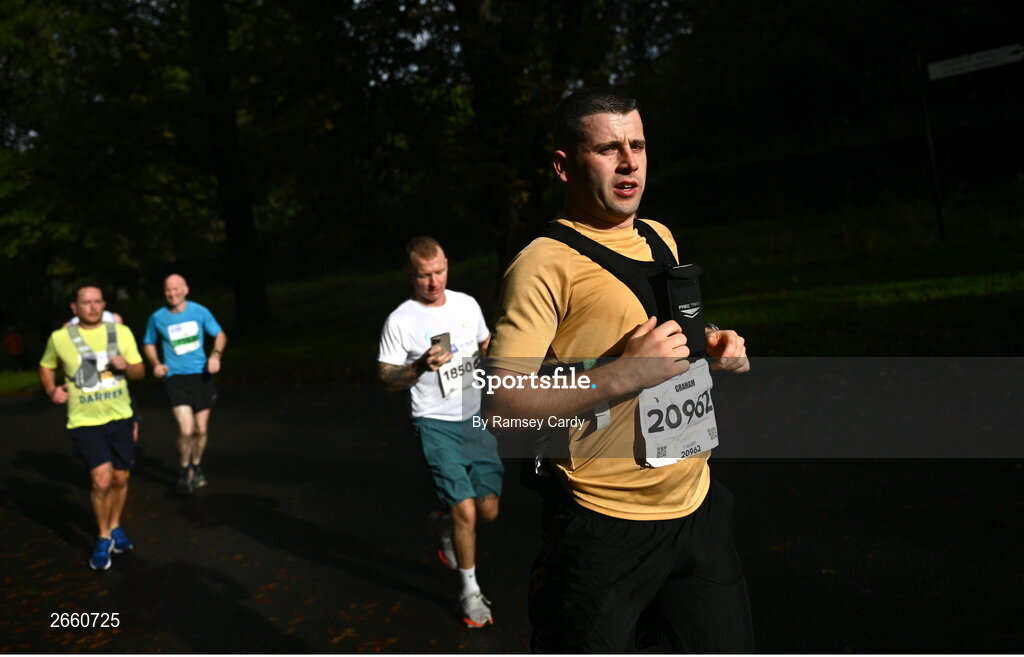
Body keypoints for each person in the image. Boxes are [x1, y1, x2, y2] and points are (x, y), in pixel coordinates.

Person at [484, 88, 754, 652]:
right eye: (608, 149)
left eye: (638, 145)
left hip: (696, 507)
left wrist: (715, 341)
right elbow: (502, 407)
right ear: (564, 165)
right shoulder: (541, 264)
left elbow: (661, 331)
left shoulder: (659, 235)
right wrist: (623, 375)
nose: (629, 161)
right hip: (603, 528)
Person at [377, 236, 503, 628]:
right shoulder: (400, 320)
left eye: (439, 272)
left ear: (447, 264)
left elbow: (486, 344)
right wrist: (419, 367)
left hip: (474, 415)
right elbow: (386, 379)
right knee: (466, 508)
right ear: (409, 275)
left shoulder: (466, 304)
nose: (433, 283)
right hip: (433, 421)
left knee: (488, 510)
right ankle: (470, 593)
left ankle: (445, 524)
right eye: (424, 276)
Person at [38, 284, 145, 570]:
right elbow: (46, 365)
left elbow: (139, 371)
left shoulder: (121, 333)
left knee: (120, 479)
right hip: (85, 421)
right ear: (74, 307)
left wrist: (126, 365)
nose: (93, 307)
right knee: (101, 480)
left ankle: (115, 524)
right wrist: (51, 390)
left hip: (120, 416)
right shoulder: (60, 338)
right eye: (86, 303)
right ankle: (103, 536)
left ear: (104, 304)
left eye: (98, 302)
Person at [142, 274, 226, 495]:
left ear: (186, 289)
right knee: (186, 429)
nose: (172, 293)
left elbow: (220, 335)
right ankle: (183, 469)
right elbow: (149, 343)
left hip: (201, 376)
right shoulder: (157, 317)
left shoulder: (199, 311)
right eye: (168, 290)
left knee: (201, 429)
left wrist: (215, 356)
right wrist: (156, 363)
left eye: (176, 289)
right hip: (175, 378)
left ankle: (195, 466)